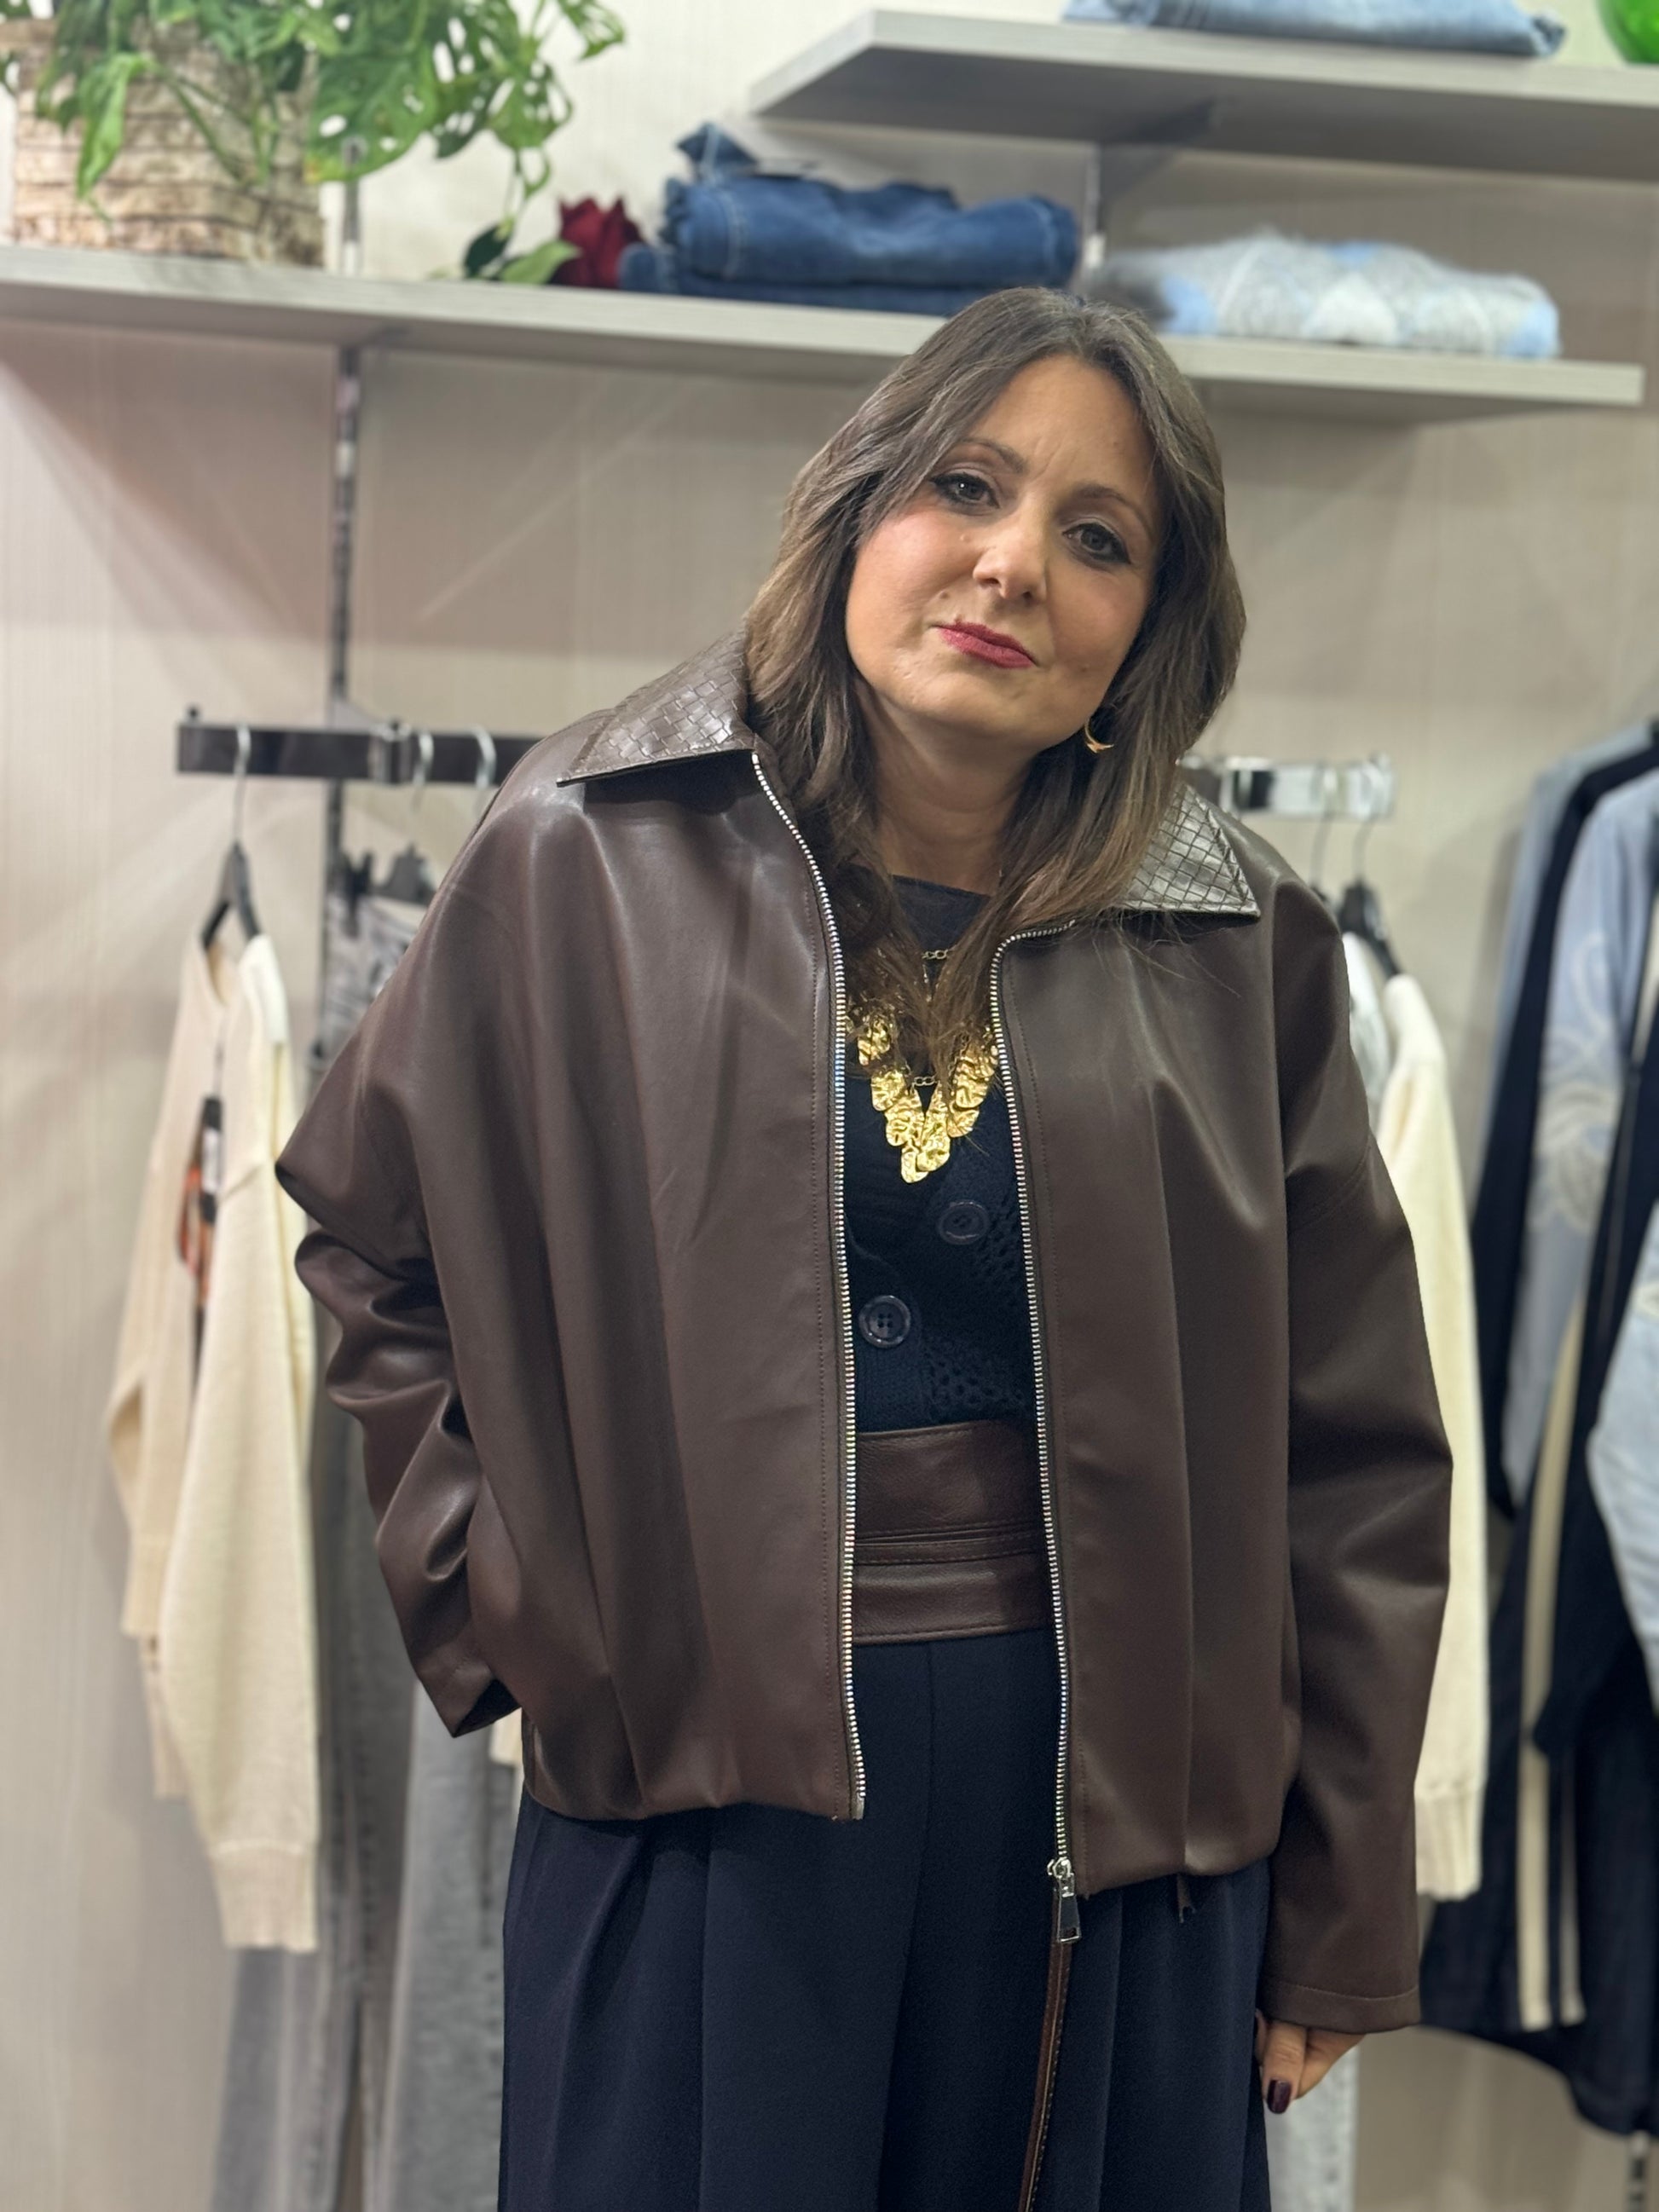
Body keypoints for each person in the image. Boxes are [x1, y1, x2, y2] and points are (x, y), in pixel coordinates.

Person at [275, 286, 1452, 2212]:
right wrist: (518, 1614)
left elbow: (1356, 1449)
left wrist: (1336, 1901)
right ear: (853, 509)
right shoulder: (582, 851)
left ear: (1148, 627)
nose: (1013, 565)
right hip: (699, 1802)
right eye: (964, 487)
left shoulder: (1238, 937)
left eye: (1097, 536)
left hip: (1118, 1820)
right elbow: (370, 1241)